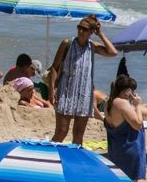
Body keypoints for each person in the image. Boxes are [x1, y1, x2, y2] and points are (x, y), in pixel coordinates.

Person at [50, 15, 118, 145]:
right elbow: (54, 68)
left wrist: (101, 34)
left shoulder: (92, 47)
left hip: (84, 96)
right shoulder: (67, 43)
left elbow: (113, 52)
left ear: (91, 32)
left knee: (78, 134)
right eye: (79, 27)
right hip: (66, 93)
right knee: (61, 132)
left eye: (85, 29)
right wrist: (52, 91)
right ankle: (47, 155)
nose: (81, 31)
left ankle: (74, 162)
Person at [104, 74, 145, 181]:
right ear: (126, 90)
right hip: (130, 148)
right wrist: (137, 106)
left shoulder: (110, 102)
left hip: (116, 149)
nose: (133, 93)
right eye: (132, 90)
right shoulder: (122, 103)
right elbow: (137, 125)